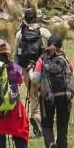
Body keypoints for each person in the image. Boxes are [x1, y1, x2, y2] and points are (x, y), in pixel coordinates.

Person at [31, 32, 74, 148]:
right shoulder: (64, 58)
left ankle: (50, 144)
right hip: (64, 95)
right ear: (61, 45)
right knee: (62, 124)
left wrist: (29, 70)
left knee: (47, 123)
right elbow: (71, 73)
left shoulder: (42, 59)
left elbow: (36, 79)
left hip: (47, 96)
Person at [14, 8, 48, 138]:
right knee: (45, 94)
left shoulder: (20, 34)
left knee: (33, 95)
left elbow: (15, 54)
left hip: (26, 68)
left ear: (25, 18)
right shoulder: (43, 32)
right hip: (43, 67)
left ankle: (35, 117)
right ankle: (44, 120)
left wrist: (18, 72)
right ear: (36, 17)